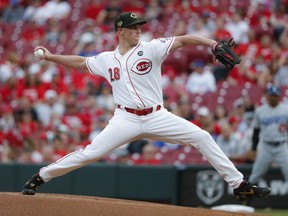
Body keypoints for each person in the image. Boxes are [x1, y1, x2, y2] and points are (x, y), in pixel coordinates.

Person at [22, 12, 271, 201]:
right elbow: (80, 62)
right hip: (125, 119)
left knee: (203, 136)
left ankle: (240, 186)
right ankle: (41, 176)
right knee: (91, 153)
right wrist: (53, 57)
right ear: (120, 31)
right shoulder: (106, 59)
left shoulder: (151, 48)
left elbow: (183, 40)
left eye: (139, 26)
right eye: (132, 27)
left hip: (156, 115)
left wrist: (212, 44)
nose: (138, 30)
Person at [248, 84, 288, 184]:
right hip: (266, 147)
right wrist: (253, 148)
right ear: (268, 96)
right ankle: (247, 199)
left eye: (276, 95)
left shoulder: (285, 110)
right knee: (255, 175)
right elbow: (256, 131)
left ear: (279, 96)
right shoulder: (260, 111)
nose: (274, 97)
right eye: (272, 95)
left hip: (281, 146)